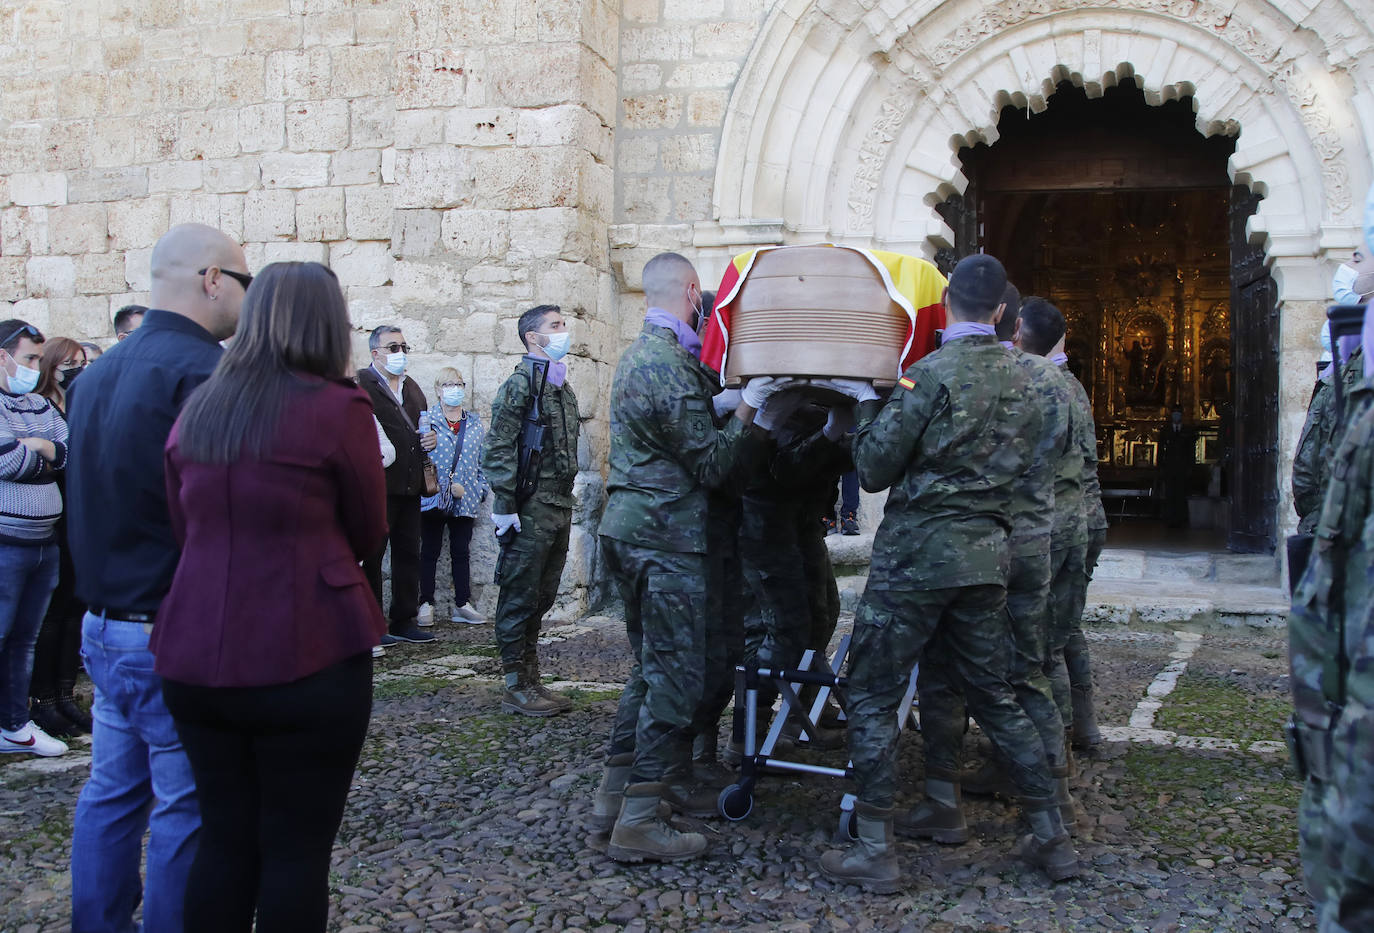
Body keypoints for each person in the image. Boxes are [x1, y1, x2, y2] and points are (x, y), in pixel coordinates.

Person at [817, 254, 1078, 892]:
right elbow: (1043, 463)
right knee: (994, 692)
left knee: (874, 692)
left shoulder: (924, 377)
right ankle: (1052, 836)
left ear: (949, 306)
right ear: (999, 314)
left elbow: (875, 469)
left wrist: (864, 410)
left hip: (916, 559)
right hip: (988, 558)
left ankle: (874, 848)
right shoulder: (1035, 381)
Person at [150, 261, 387, 932]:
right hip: (308, 649)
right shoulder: (338, 408)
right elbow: (369, 528)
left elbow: (183, 522)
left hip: (195, 651)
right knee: (295, 849)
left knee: (224, 837)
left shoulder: (201, 406)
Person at [68, 223, 248, 933]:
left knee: (110, 791)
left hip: (106, 622)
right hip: (173, 628)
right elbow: (220, 511)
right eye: (244, 279)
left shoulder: (99, 372)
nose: (247, 295)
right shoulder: (206, 374)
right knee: (185, 802)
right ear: (211, 279)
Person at [594, 250, 789, 863]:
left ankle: (614, 797)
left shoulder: (642, 358)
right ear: (693, 293)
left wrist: (721, 406)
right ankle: (640, 820)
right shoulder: (668, 366)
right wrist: (757, 412)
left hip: (636, 531)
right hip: (665, 537)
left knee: (650, 667)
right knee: (676, 676)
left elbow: (680, 430)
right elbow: (714, 466)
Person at [920, 289, 1076, 837]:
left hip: (985, 542)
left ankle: (943, 796)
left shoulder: (962, 375)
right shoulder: (1045, 380)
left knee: (949, 674)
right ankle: (1053, 794)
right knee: (1026, 670)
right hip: (1034, 536)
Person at [481, 304, 580, 715]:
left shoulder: (559, 385)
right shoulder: (521, 384)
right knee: (520, 596)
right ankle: (514, 683)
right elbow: (499, 446)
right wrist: (505, 505)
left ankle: (531, 677)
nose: (563, 332)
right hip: (531, 504)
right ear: (532, 338)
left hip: (559, 502)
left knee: (542, 595)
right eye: (555, 327)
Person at [0, 320, 70, 759]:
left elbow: (69, 450)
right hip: (5, 540)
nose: (34, 368)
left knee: (25, 638)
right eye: (27, 359)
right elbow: (7, 462)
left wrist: (40, 448)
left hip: (44, 541)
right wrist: (43, 452)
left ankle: (13, 724)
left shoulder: (39, 405)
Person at [357, 325, 436, 645]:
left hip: (411, 485)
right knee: (372, 555)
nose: (400, 353)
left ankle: (404, 620)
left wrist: (431, 439)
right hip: (378, 485)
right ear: (375, 353)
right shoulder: (363, 383)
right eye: (393, 347)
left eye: (404, 347)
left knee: (408, 554)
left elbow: (424, 427)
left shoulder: (413, 388)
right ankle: (371, 625)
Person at [27, 338, 91, 739]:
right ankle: (44, 700)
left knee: (73, 609)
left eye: (81, 362)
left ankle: (66, 694)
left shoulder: (79, 403)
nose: (74, 369)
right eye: (68, 363)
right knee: (51, 615)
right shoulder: (40, 407)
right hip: (54, 515)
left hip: (80, 516)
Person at [419, 366, 489, 626]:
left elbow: (482, 462)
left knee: (461, 551)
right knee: (430, 549)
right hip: (435, 496)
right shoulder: (428, 422)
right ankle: (425, 602)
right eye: (448, 384)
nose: (454, 389)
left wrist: (479, 490)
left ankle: (462, 603)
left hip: (466, 497)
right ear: (438, 390)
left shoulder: (473, 424)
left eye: (458, 384)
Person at [1158, 404, 1195, 527]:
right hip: (1169, 467)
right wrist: (1161, 466)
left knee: (1181, 493)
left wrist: (1190, 466)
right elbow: (1161, 450)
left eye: (1178, 413)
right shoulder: (1165, 431)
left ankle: (1181, 519)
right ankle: (1169, 519)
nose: (1176, 415)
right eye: (1174, 413)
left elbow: (1191, 450)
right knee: (1170, 493)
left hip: (1182, 467)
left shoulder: (1187, 431)